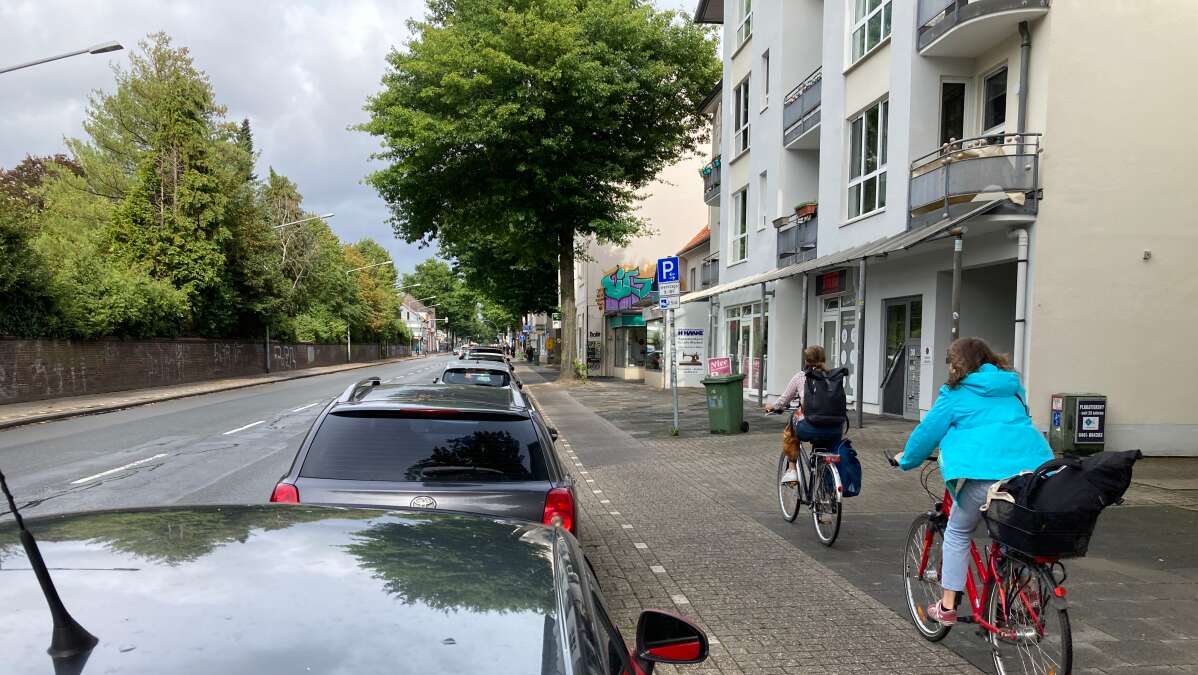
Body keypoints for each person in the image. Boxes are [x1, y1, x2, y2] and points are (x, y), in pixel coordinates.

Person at [894, 337, 1052, 626]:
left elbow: (927, 433)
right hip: (1030, 476)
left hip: (983, 479)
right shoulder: (1013, 388)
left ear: (958, 364)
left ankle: (947, 606)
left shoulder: (955, 393)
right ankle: (1020, 589)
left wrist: (906, 460)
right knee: (1010, 534)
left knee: (957, 531)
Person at [773, 345, 845, 485]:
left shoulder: (801, 377)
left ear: (806, 361)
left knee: (792, 421)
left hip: (809, 428)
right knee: (828, 451)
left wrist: (772, 406)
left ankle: (792, 469)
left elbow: (783, 401)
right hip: (835, 429)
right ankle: (829, 490)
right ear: (824, 358)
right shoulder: (834, 377)